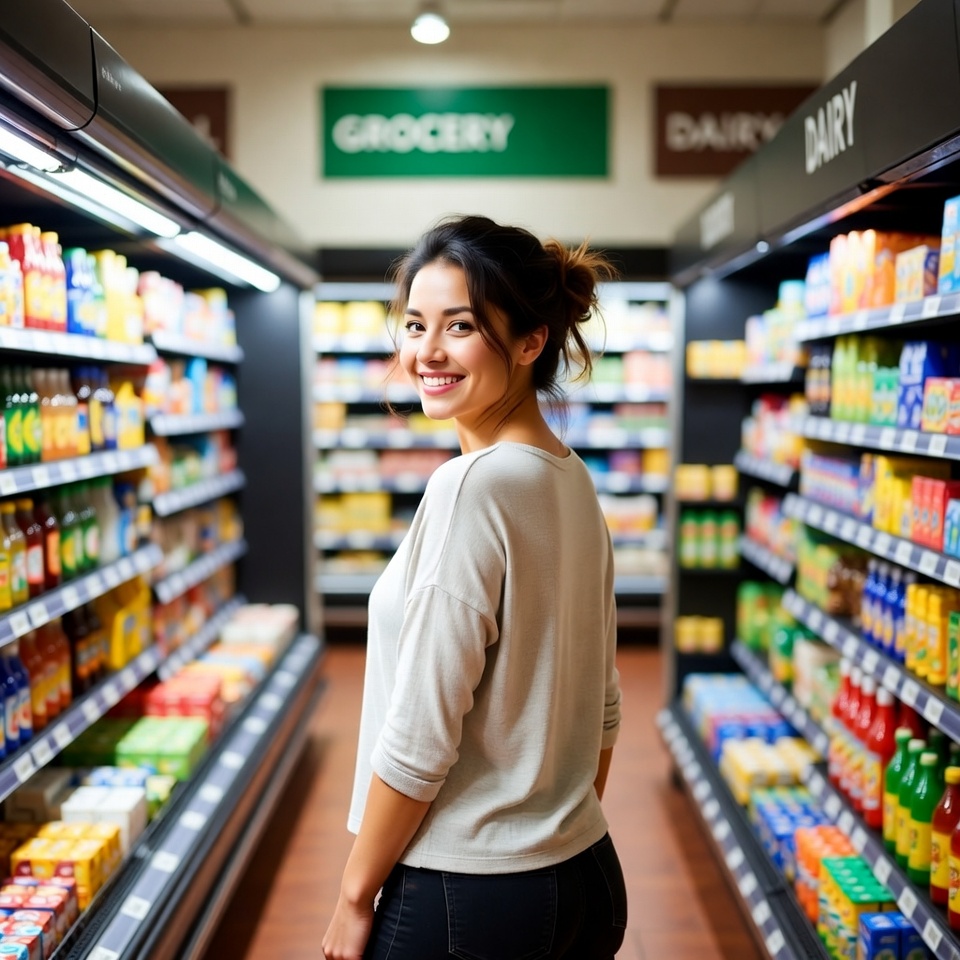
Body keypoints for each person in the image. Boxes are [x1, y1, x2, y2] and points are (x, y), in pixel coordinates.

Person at [322, 214, 627, 960]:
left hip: (468, 893)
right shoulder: (570, 477)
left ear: (531, 342)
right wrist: (550, 821)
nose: (426, 351)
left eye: (459, 326)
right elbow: (606, 707)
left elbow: (421, 735)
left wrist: (354, 897)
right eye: (415, 323)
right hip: (584, 871)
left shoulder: (472, 487)